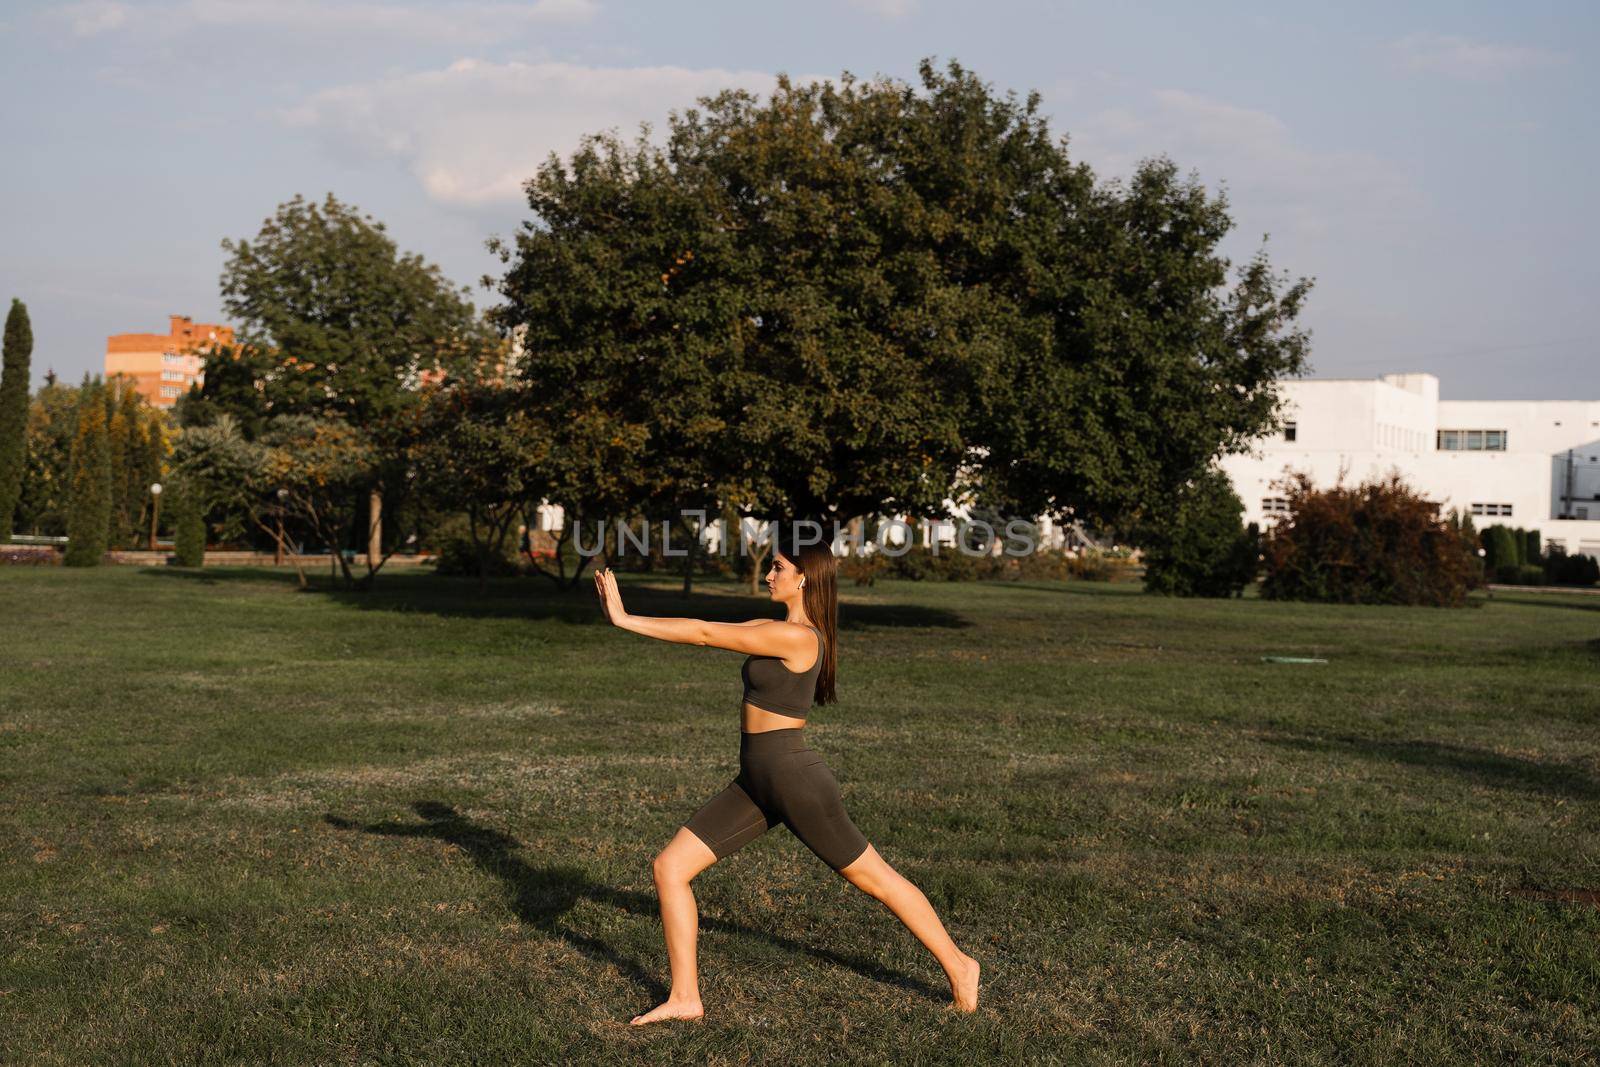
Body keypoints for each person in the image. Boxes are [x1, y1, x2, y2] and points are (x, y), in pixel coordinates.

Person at [593, 539, 981, 1025]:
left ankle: (961, 966)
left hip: (794, 781)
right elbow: (717, 631)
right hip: (756, 781)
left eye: (778, 567)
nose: (769, 574)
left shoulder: (801, 639)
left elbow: (706, 634)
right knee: (670, 868)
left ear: (803, 578)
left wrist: (627, 619)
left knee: (876, 879)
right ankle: (685, 997)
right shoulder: (773, 628)